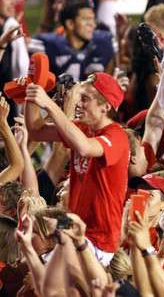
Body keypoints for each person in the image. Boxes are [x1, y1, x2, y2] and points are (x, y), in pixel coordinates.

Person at [24, 72, 128, 265]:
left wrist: (49, 103)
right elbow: (36, 131)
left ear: (106, 107)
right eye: (79, 97)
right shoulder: (82, 128)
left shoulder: (118, 136)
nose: (78, 104)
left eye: (85, 99)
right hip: (74, 226)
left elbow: (85, 147)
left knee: (44, 279)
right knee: (29, 233)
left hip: (99, 240)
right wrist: (33, 93)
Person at [28, 1, 115, 81]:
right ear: (70, 24)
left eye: (92, 19)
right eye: (86, 19)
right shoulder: (46, 44)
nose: (92, 24)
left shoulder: (102, 42)